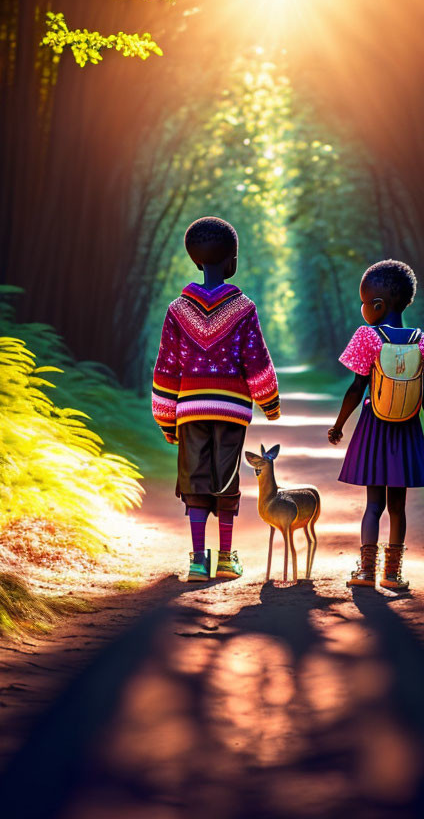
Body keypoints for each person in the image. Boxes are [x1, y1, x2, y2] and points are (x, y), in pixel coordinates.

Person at [152, 217, 280, 582]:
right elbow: (257, 360)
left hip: (190, 410)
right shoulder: (243, 309)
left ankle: (196, 561)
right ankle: (225, 559)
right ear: (232, 262)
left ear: (195, 262)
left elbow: (167, 367)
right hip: (232, 411)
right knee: (226, 478)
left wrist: (166, 417)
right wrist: (269, 403)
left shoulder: (177, 310)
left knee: (194, 479)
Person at [328, 259, 424, 589]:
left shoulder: (367, 337)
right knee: (397, 506)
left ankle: (366, 571)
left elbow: (356, 388)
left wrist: (339, 425)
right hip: (408, 430)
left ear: (378, 305)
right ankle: (393, 574)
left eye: (365, 302)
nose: (363, 309)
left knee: (373, 505)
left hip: (373, 427)